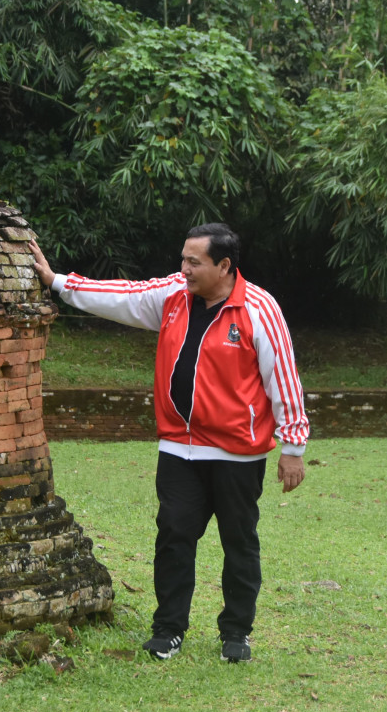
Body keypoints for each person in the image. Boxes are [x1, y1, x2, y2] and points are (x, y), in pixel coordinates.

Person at [29, 223, 309, 663]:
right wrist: (58, 283)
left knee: (239, 542)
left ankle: (236, 634)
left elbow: (284, 380)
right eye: (183, 259)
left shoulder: (259, 309)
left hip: (238, 453)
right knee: (174, 535)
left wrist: (293, 447)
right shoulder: (174, 295)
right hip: (179, 448)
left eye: (194, 262)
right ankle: (169, 630)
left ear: (224, 266)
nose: (184, 269)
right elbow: (125, 295)